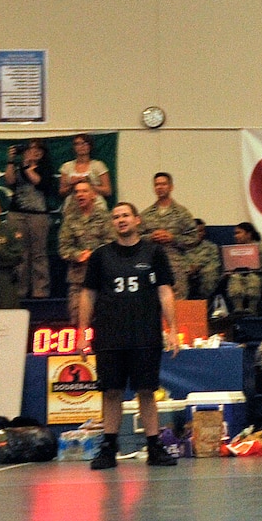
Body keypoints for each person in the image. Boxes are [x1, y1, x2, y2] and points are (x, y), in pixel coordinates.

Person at [75, 200, 180, 470]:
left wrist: (172, 329)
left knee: (147, 391)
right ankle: (109, 447)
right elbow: (88, 293)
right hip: (110, 335)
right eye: (116, 216)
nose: (121, 220)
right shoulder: (100, 256)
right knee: (111, 392)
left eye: (125, 215)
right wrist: (83, 332)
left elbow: (165, 291)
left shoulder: (154, 253)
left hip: (145, 334)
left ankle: (154, 446)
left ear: (137, 221)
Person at [4, 139, 55, 298]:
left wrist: (27, 166)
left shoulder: (45, 168)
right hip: (17, 213)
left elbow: (38, 182)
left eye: (38, 149)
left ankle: (40, 290)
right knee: (21, 252)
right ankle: (20, 290)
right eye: (31, 149)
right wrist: (11, 160)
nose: (34, 152)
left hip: (38, 215)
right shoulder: (18, 166)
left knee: (38, 253)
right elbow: (10, 180)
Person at [141, 173, 203, 293]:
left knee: (177, 306)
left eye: (163, 184)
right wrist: (151, 237)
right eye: (157, 184)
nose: (160, 187)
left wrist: (173, 238)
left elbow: (194, 237)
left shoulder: (182, 213)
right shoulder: (146, 214)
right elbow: (136, 238)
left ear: (171, 187)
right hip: (151, 265)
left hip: (176, 267)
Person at [58, 180, 113, 293]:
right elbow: (64, 247)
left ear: (94, 195)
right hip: (78, 278)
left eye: (84, 191)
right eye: (77, 192)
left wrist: (93, 255)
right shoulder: (70, 219)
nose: (80, 195)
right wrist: (79, 255)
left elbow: (111, 243)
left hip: (103, 276)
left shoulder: (105, 217)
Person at [58, 133, 112, 202]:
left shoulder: (99, 165)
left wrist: (88, 184)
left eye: (85, 143)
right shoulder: (66, 167)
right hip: (72, 205)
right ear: (74, 147)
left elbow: (108, 191)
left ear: (90, 146)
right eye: (77, 144)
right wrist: (72, 185)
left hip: (95, 204)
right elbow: (62, 192)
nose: (81, 146)